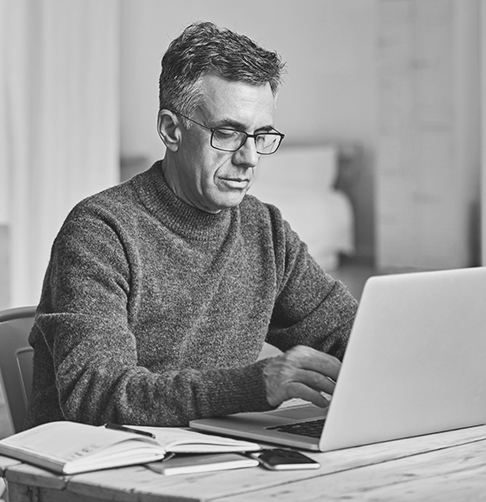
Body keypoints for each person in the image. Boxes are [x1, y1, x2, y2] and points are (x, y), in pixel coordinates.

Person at [26, 21, 358, 429]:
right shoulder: (101, 232)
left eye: (261, 135)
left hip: (214, 459)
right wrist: (254, 385)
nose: (250, 157)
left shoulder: (264, 230)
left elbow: (350, 333)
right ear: (171, 129)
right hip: (97, 472)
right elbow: (98, 393)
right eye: (229, 133)